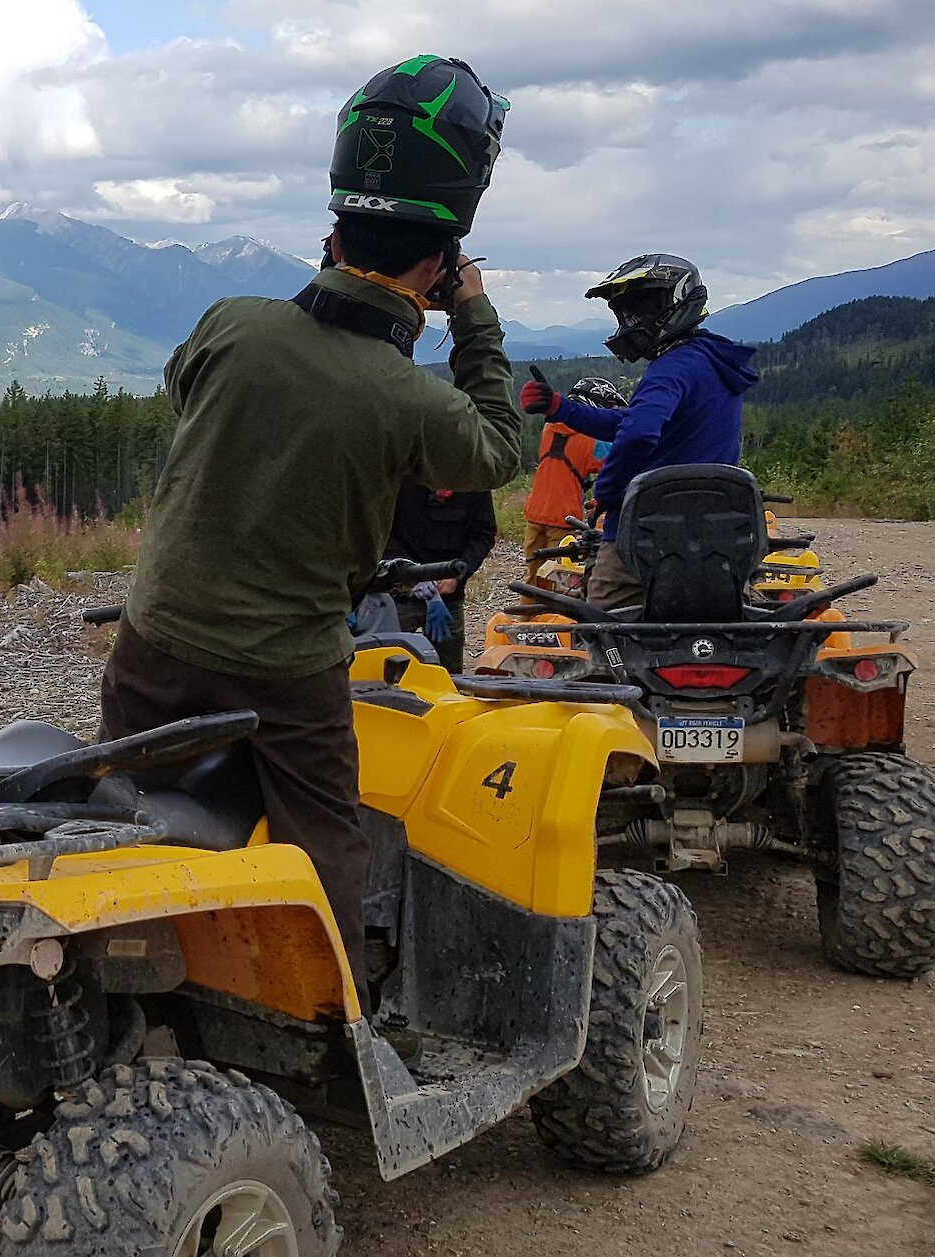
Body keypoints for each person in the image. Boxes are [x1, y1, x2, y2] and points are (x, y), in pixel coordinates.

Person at [101, 55, 518, 1006]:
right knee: (325, 833)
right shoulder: (409, 398)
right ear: (439, 263)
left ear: (334, 232)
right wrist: (474, 317)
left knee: (124, 807)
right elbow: (495, 447)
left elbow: (184, 382)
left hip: (155, 637)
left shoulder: (233, 322)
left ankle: (125, 976)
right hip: (287, 667)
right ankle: (321, 1011)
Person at [519, 255, 759, 608]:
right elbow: (633, 423)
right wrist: (561, 409)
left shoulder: (670, 368)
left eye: (643, 307)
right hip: (717, 530)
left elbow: (638, 434)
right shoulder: (710, 360)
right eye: (625, 312)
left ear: (677, 302)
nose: (632, 321)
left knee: (600, 624)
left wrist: (610, 491)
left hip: (651, 526)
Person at [385, 482, 495, 672]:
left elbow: (483, 534)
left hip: (448, 596)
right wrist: (412, 573)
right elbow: (383, 533)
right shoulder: (401, 477)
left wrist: (460, 573)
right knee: (386, 666)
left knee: (449, 673)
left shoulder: (474, 480)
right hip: (400, 592)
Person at [521, 376, 620, 585]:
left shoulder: (550, 428)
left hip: (536, 513)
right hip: (564, 518)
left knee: (534, 578)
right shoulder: (591, 438)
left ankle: (528, 617)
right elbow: (617, 464)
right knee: (562, 580)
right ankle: (556, 618)